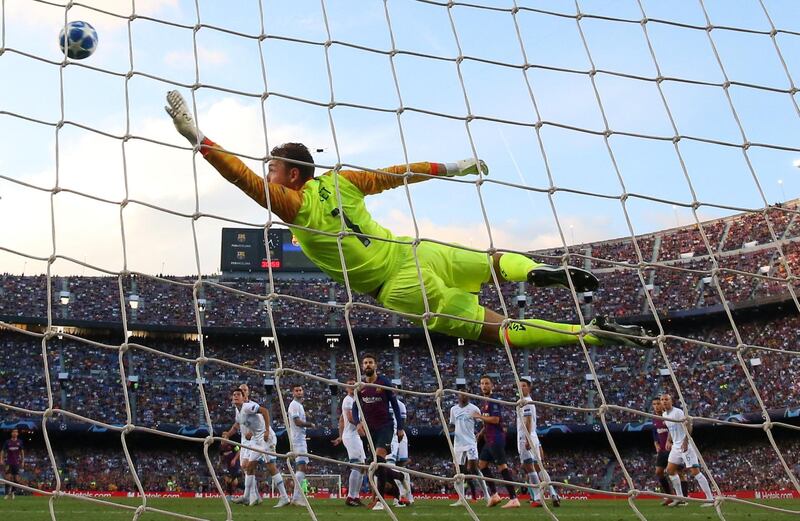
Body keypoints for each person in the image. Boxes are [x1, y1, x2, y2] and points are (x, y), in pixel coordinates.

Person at [165, 91, 652, 351]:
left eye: (273, 169)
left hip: (399, 285)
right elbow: (397, 174)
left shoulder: (296, 206)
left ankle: (590, 333)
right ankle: (539, 270)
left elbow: (240, 178)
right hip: (417, 249)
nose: (268, 176)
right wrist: (453, 167)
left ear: (291, 175)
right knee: (495, 260)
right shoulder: (343, 181)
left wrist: (196, 136)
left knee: (499, 330)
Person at [351, 353, 411, 510]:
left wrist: (400, 427)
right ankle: (399, 476)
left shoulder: (384, 383)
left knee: (378, 460)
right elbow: (355, 407)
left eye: (371, 362)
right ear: (362, 366)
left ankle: (380, 501)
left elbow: (396, 406)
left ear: (375, 365)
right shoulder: (360, 387)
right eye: (365, 363)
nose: (368, 365)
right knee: (376, 466)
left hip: (385, 427)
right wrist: (357, 423)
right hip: (369, 430)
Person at [238, 384, 290, 507]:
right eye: (239, 392)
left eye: (244, 391)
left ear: (247, 394)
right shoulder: (239, 410)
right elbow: (249, 424)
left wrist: (266, 430)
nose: (242, 393)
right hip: (257, 440)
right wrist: (249, 433)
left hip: (267, 438)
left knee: (271, 466)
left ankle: (284, 497)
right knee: (249, 467)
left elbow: (264, 412)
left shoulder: (249, 405)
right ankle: (246, 497)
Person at [660, 394, 714, 507]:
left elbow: (689, 424)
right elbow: (671, 429)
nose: (664, 401)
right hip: (675, 446)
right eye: (662, 400)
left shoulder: (678, 412)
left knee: (695, 472)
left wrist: (685, 441)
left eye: (666, 399)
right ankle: (680, 498)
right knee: (670, 470)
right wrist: (668, 440)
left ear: (671, 401)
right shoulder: (664, 414)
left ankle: (710, 499)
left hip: (686, 445)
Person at [476, 375, 520, 508]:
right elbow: (488, 422)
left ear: (492, 386)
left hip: (496, 439)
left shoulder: (493, 401)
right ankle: (494, 495)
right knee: (482, 465)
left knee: (502, 467)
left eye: (487, 383)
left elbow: (495, 420)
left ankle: (513, 498)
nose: (484, 386)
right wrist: (481, 432)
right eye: (482, 383)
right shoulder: (485, 402)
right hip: (489, 439)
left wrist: (479, 416)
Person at [517, 377, 560, 508]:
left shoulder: (526, 402)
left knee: (529, 466)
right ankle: (553, 494)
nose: (521, 388)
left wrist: (527, 438)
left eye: (524, 385)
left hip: (526, 436)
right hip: (533, 436)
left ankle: (537, 497)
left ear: (529, 388)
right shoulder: (525, 401)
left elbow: (528, 420)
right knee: (538, 467)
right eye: (519, 386)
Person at [448, 389, 490, 506]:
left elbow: (484, 423)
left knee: (473, 468)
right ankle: (461, 498)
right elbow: (452, 425)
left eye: (466, 395)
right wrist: (447, 429)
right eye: (461, 394)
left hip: (470, 442)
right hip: (458, 444)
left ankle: (487, 495)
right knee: (458, 471)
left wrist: (480, 434)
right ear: (458, 396)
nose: (464, 397)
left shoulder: (474, 408)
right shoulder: (453, 410)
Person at [331, 378, 367, 507]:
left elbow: (342, 419)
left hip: (352, 435)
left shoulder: (356, 400)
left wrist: (340, 436)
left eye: (353, 384)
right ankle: (351, 496)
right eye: (349, 384)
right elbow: (350, 417)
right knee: (357, 465)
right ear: (346, 387)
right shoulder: (348, 400)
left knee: (362, 467)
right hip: (352, 435)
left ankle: (355, 496)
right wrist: (363, 425)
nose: (352, 386)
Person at [287, 385, 316, 507]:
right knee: (302, 467)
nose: (299, 392)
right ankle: (296, 498)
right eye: (296, 390)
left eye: (300, 390)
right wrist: (310, 424)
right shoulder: (294, 405)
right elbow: (297, 422)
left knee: (302, 467)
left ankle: (296, 497)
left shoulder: (299, 405)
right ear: (293, 393)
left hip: (300, 438)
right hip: (298, 440)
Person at [387, 387, 413, 506]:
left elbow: (402, 422)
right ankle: (399, 496)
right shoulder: (384, 403)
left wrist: (399, 435)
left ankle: (406, 496)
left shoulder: (400, 405)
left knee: (401, 465)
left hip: (399, 435)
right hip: (388, 435)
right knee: (391, 466)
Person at [1, 429, 24, 500]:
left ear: (17, 434)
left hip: (16, 463)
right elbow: (2, 451)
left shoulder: (19, 442)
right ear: (11, 433)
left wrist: (23, 461)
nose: (15, 433)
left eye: (16, 432)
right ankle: (7, 494)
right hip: (9, 462)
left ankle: (13, 492)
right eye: (13, 432)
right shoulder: (7, 442)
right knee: (7, 478)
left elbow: (22, 452)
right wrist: (1, 459)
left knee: (16, 479)